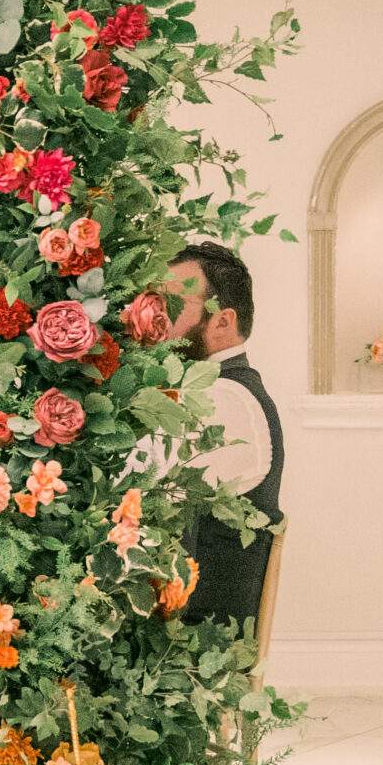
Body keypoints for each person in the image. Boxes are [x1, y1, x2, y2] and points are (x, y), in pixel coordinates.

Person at [162, 240, 284, 633]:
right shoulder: (211, 388)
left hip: (192, 644)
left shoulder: (225, 398)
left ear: (221, 321)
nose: (154, 319)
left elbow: (150, 497)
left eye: (172, 306)